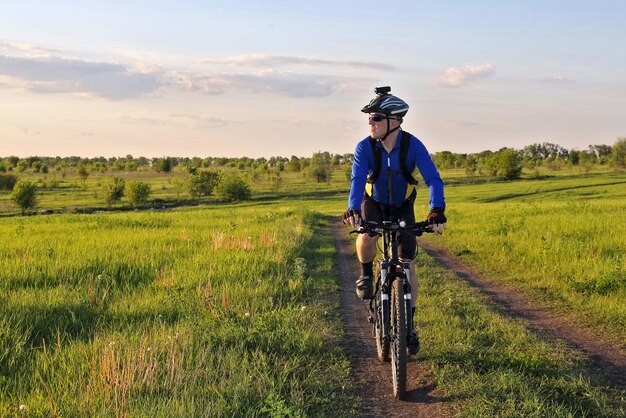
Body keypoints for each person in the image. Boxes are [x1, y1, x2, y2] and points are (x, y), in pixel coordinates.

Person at [343, 86, 447, 355]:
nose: (371, 122)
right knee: (367, 234)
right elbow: (356, 181)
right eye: (369, 118)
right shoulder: (364, 148)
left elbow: (433, 178)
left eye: (376, 117)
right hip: (373, 203)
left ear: (395, 121)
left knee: (407, 262)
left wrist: (436, 210)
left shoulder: (413, 146)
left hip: (403, 206)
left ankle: (409, 326)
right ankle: (366, 275)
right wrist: (353, 208)